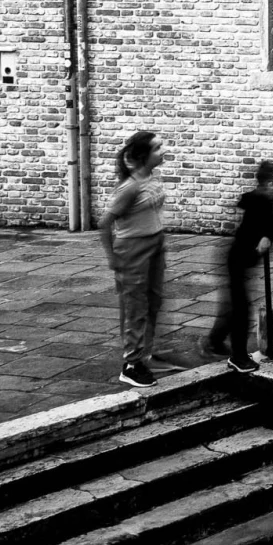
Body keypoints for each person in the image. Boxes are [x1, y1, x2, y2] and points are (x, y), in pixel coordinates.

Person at [205, 161, 273, 373]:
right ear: (269, 181)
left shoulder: (263, 199)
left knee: (234, 304)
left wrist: (268, 235)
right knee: (241, 309)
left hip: (242, 258)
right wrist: (268, 235)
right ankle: (238, 356)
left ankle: (214, 342)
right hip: (238, 258)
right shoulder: (259, 199)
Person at [101, 130, 169, 388]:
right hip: (133, 250)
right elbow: (105, 224)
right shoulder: (129, 187)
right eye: (158, 148)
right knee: (135, 307)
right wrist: (112, 258)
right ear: (144, 155)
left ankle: (144, 353)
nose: (163, 151)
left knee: (153, 302)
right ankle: (130, 365)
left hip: (155, 244)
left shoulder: (153, 177)